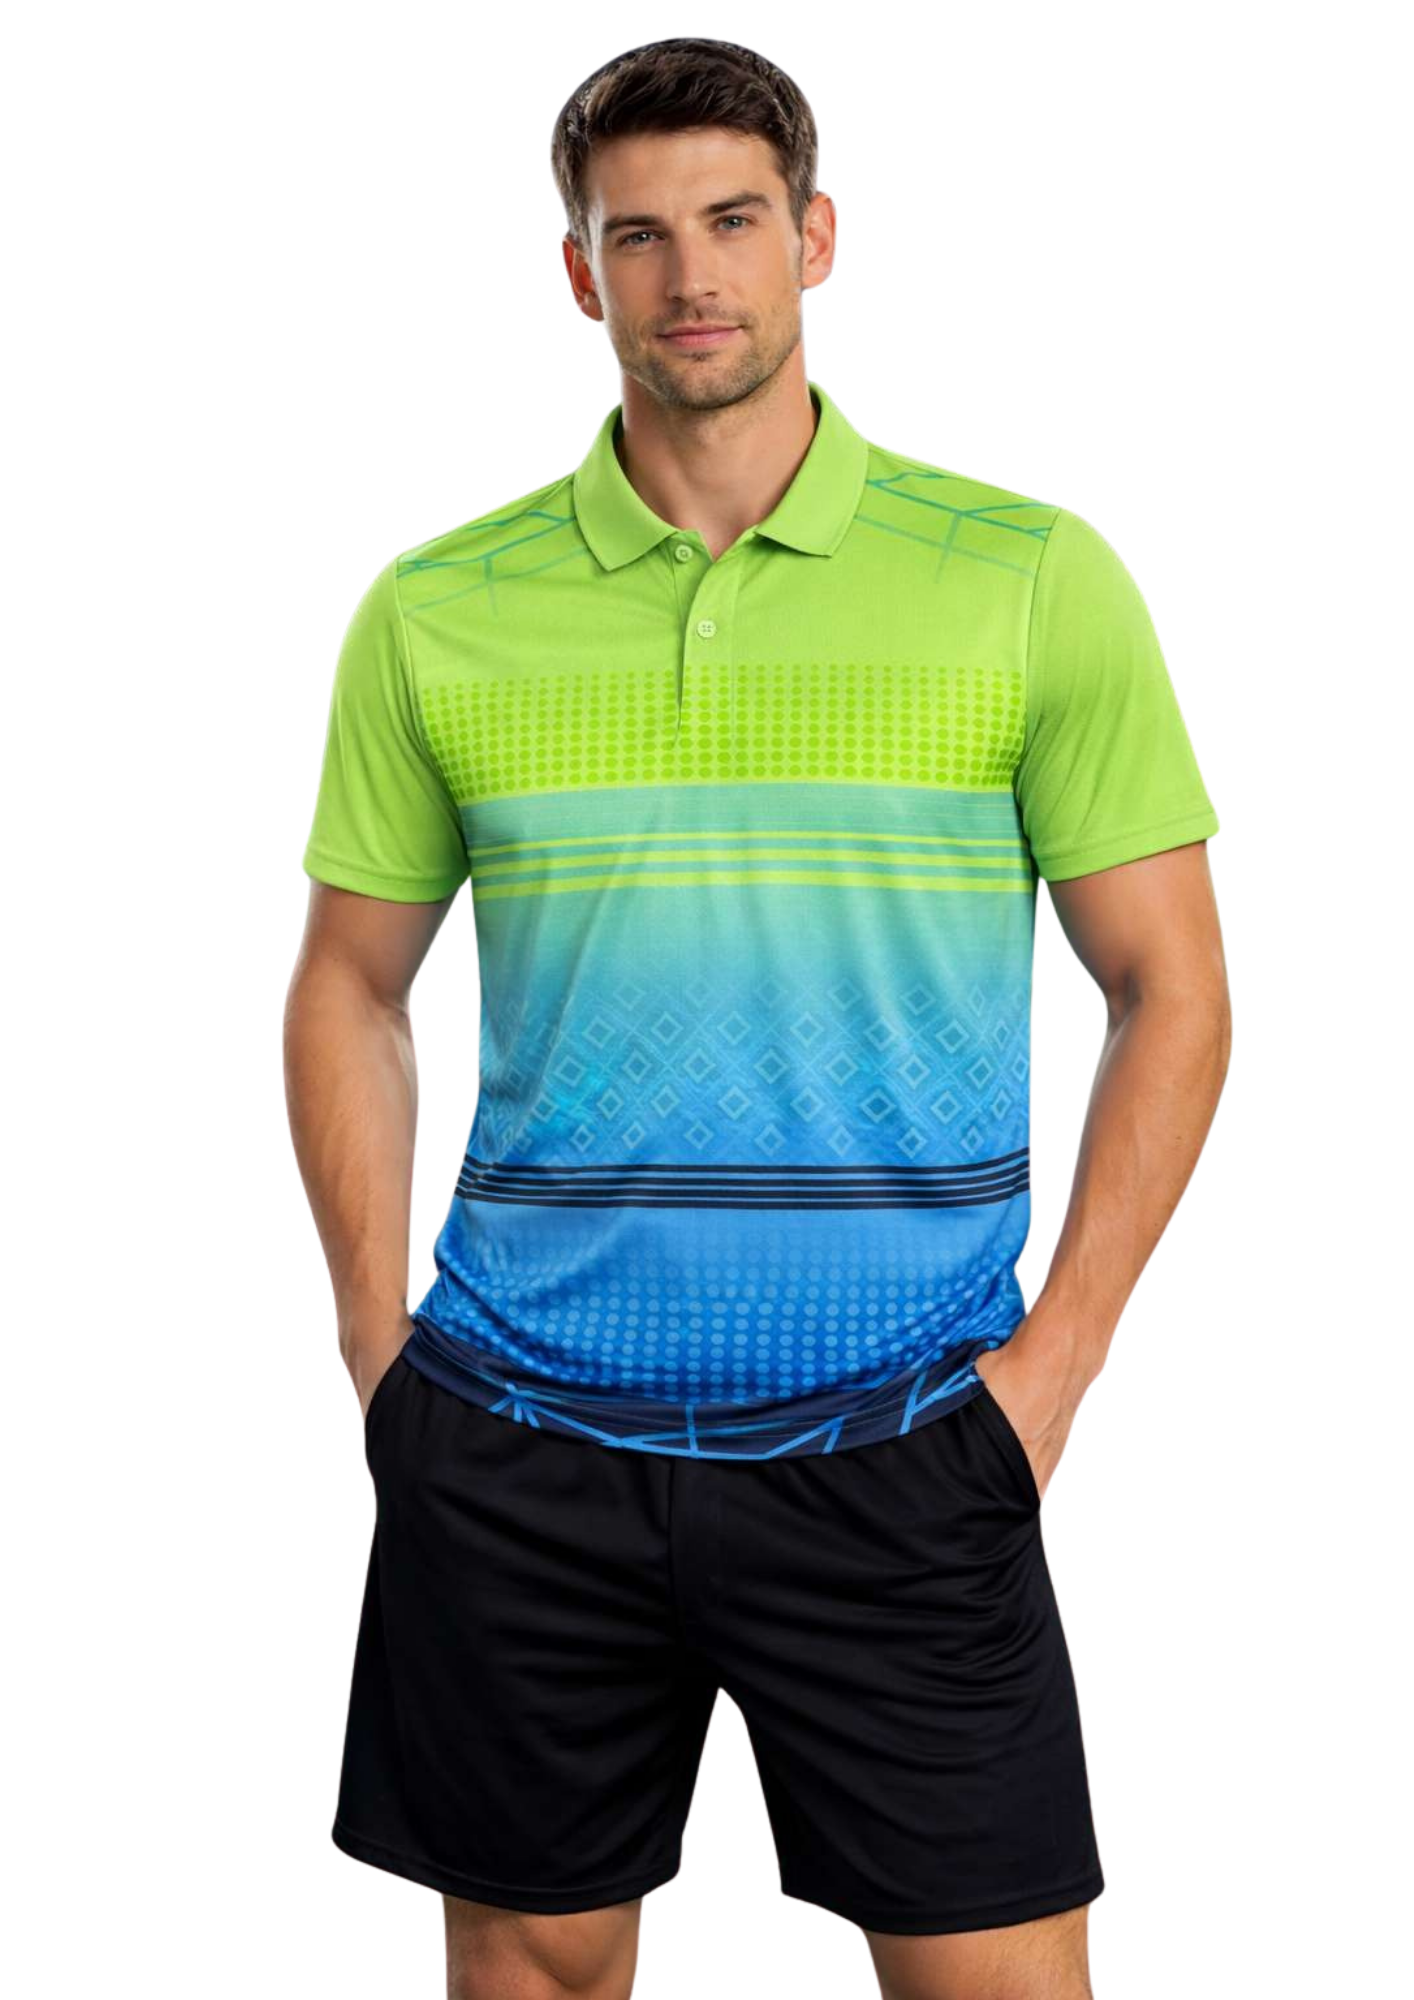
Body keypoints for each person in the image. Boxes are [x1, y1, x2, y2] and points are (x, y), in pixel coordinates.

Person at [286, 33, 1231, 2000]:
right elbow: (351, 988)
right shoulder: (433, 606)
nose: (688, 275)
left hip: (910, 1429)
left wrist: (1054, 1370)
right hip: (514, 1439)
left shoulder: (1027, 576)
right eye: (635, 236)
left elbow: (1171, 990)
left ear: (816, 239)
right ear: (577, 275)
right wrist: (381, 1350)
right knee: (532, 1967)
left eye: (731, 220)